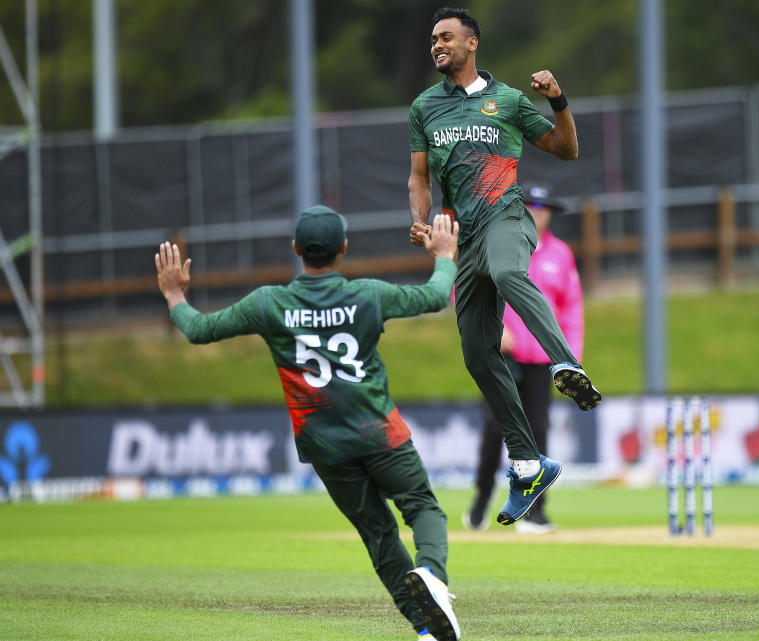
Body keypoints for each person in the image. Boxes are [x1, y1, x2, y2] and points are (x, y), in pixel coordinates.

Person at [155, 207, 462, 641]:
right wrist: (445, 254)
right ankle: (431, 573)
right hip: (380, 432)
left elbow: (201, 330)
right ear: (344, 249)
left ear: (296, 250)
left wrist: (174, 296)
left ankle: (426, 629)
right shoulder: (368, 295)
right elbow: (433, 297)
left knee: (378, 535)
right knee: (422, 507)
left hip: (326, 446)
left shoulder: (268, 304)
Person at [407, 7, 601, 528]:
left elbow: (566, 149)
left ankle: (566, 365)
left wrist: (557, 101)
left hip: (506, 216)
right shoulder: (424, 107)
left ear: (472, 44)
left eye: (446, 37)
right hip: (461, 234)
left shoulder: (510, 100)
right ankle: (529, 464)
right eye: (433, 39)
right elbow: (419, 177)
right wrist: (421, 221)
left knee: (512, 273)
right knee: (476, 353)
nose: (437, 45)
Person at [463, 185, 583, 534]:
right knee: (494, 429)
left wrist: (568, 356)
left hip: (540, 359)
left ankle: (534, 513)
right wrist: (491, 328)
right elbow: (465, 285)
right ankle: (481, 501)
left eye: (544, 206)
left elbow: (572, 307)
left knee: (538, 429)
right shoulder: (496, 239)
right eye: (531, 204)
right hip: (502, 355)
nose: (538, 211)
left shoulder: (561, 254)